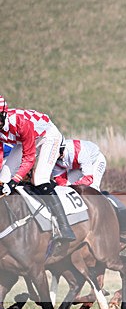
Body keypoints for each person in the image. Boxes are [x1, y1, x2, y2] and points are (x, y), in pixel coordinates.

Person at [0, 95, 75, 241]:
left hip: (48, 137)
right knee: (2, 179)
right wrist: (5, 181)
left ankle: (65, 227)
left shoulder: (20, 123)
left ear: (3, 114)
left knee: (39, 179)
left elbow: (28, 158)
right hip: (22, 141)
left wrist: (14, 181)